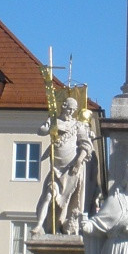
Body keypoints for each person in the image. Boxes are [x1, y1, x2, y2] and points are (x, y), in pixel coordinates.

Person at [33, 95, 95, 234]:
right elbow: (40, 131)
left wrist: (79, 161)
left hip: (71, 169)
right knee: (49, 194)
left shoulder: (78, 125)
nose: (70, 112)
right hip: (56, 167)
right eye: (69, 109)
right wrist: (49, 125)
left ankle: (62, 225)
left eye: (73, 110)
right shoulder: (54, 121)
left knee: (67, 200)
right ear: (64, 106)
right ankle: (39, 225)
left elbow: (86, 145)